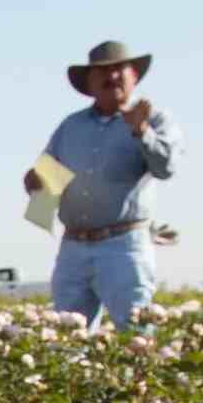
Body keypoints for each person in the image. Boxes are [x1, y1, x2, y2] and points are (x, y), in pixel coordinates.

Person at [24, 40, 175, 328]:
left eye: (119, 69)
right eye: (102, 72)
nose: (112, 76)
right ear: (89, 83)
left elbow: (166, 168)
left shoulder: (154, 119)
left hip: (124, 245)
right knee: (65, 340)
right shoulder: (71, 127)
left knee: (137, 335)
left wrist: (141, 131)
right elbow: (46, 184)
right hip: (73, 247)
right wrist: (34, 184)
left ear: (134, 76)